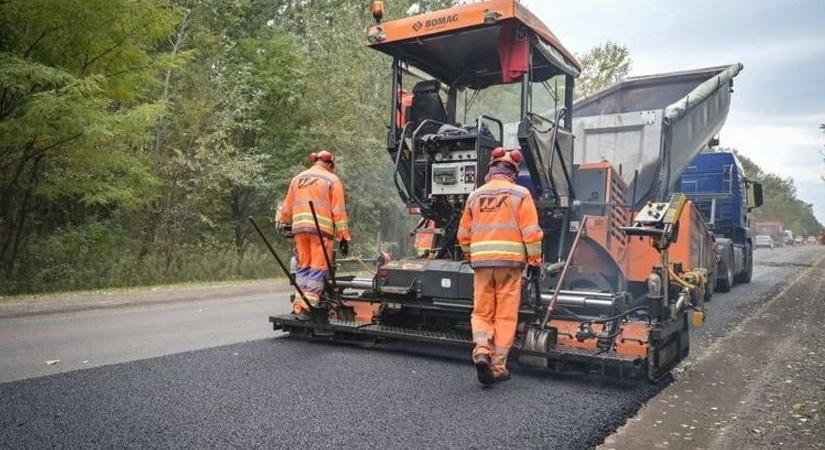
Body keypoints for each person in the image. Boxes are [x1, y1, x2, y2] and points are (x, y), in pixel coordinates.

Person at [457, 147, 543, 385]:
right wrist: (535, 261)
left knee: (482, 311)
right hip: (510, 265)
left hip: (482, 264)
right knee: (505, 315)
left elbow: (463, 234)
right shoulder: (521, 194)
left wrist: (469, 256)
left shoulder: (474, 196)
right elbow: (532, 233)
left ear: (491, 171)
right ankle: (497, 367)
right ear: (512, 172)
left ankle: (481, 349)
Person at [276, 150, 351, 320]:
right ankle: (308, 307)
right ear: (330, 164)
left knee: (303, 267)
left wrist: (284, 222)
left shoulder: (298, 178)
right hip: (320, 231)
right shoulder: (332, 179)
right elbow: (338, 212)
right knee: (318, 267)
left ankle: (299, 306)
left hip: (299, 230)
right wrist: (344, 237)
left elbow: (286, 209)